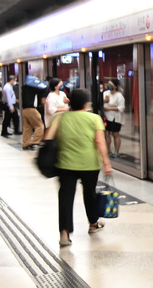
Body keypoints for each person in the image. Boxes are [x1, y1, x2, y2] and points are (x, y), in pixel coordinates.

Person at [44, 88, 113, 247]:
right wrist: (106, 163)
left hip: (65, 164)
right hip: (89, 164)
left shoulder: (59, 118)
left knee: (65, 198)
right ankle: (93, 224)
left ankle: (64, 233)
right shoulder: (94, 118)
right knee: (89, 193)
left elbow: (48, 138)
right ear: (86, 103)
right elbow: (100, 142)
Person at [20, 75, 48, 150]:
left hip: (24, 109)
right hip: (31, 109)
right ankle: (35, 142)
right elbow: (43, 89)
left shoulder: (24, 87)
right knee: (40, 126)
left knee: (27, 127)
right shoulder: (33, 88)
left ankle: (25, 144)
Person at [102, 79, 125, 158]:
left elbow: (121, 108)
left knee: (115, 134)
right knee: (106, 133)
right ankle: (108, 150)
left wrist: (109, 108)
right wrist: (104, 101)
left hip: (116, 118)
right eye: (108, 84)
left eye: (111, 84)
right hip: (106, 117)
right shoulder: (105, 93)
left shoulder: (119, 96)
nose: (109, 86)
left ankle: (116, 151)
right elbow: (99, 103)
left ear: (115, 86)